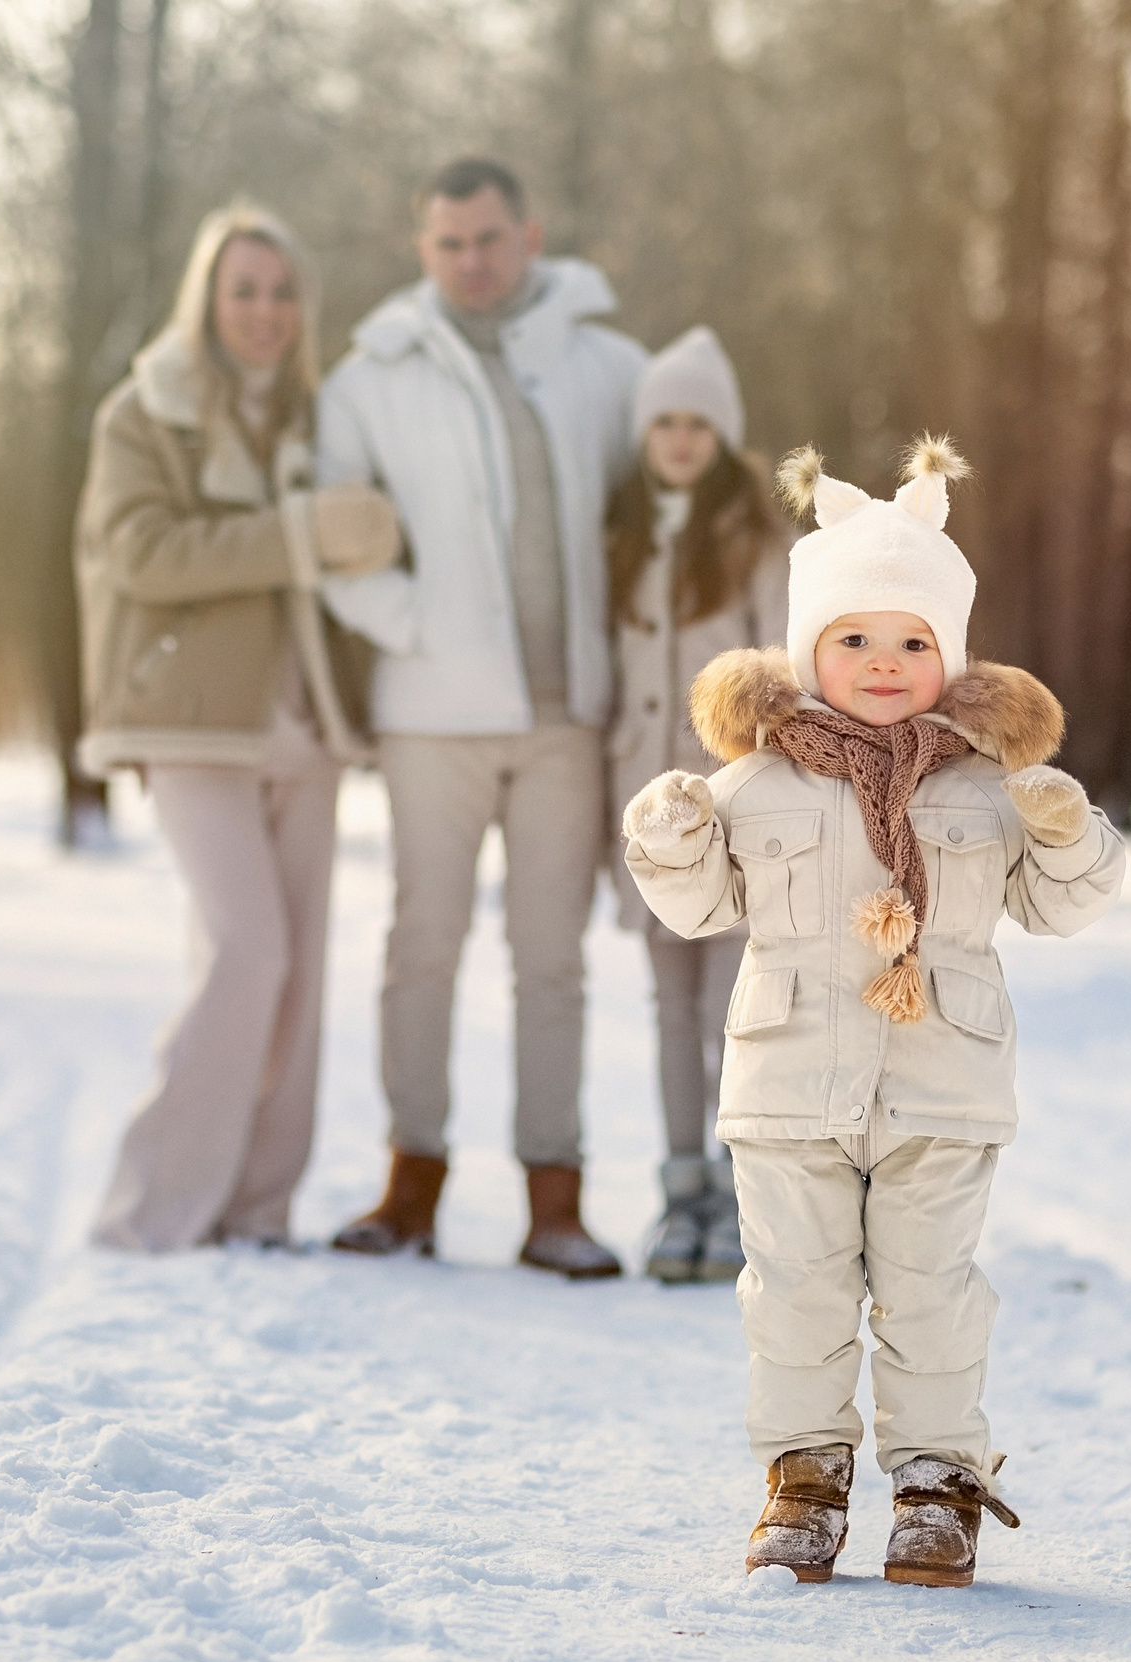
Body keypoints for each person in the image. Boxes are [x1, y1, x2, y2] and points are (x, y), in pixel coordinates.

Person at [620, 437, 1127, 1587]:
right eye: (855, 639)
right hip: (789, 1087)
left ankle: (938, 1481)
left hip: (942, 1086)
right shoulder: (755, 782)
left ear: (949, 655)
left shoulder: (985, 788)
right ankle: (803, 1476)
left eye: (912, 642)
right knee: (794, 1292)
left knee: (931, 1292)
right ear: (809, 651)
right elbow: (701, 909)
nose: (884, 662)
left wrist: (1065, 832)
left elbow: (1062, 906)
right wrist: (670, 838)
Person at [313, 158, 646, 1278]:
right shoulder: (370, 377)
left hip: (568, 719)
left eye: (489, 239)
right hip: (431, 714)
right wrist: (412, 623)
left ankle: (556, 1202)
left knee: (551, 960)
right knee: (422, 946)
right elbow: (332, 535)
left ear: (530, 233)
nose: (470, 261)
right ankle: (410, 1187)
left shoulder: (607, 366)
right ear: (423, 250)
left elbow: (653, 518)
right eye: (448, 243)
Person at [78, 204, 403, 1253]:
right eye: (243, 291)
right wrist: (298, 535)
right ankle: (150, 1208)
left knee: (298, 973)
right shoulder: (145, 413)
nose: (263, 312)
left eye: (280, 293)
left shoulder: (323, 419)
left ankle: (257, 1205)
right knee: (245, 952)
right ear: (208, 301)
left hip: (304, 723)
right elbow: (143, 554)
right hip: (187, 720)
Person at [602, 328, 789, 1284]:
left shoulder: (756, 540)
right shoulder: (625, 536)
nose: (678, 440)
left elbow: (785, 679)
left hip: (731, 811)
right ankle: (679, 1194)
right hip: (646, 812)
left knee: (731, 1010)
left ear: (723, 433)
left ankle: (737, 1195)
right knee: (669, 1009)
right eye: (663, 423)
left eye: (696, 424)